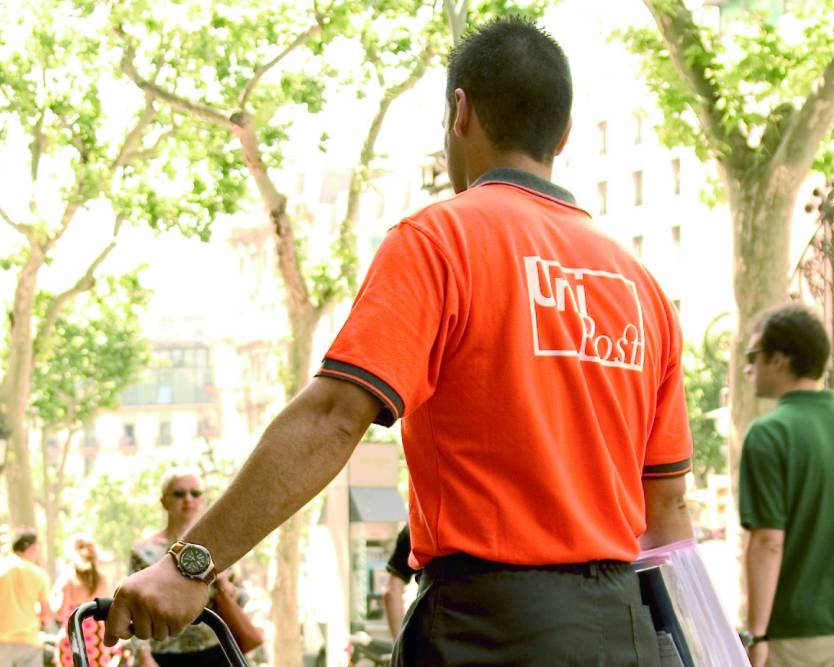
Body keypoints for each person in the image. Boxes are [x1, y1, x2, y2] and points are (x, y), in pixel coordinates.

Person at [105, 17, 694, 666]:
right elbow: (666, 515)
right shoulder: (641, 287)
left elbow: (334, 416)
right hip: (626, 633)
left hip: (488, 632)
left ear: (459, 112)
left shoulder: (440, 240)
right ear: (564, 133)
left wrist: (189, 565)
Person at [739, 303, 834, 667]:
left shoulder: (768, 434)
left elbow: (767, 541)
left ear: (780, 359)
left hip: (797, 639)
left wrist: (757, 634)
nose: (749, 367)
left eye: (754, 355)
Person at [128, 469, 227, 667]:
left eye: (195, 493)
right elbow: (134, 607)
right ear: (164, 501)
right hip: (165, 654)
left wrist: (226, 586)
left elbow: (241, 599)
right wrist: (143, 655)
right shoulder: (144, 551)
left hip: (214, 650)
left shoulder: (219, 544)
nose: (188, 499)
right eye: (179, 493)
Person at [0, 530, 51, 667]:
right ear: (30, 548)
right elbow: (46, 615)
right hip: (29, 643)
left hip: (0, 642)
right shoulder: (39, 575)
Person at [51, 535, 117, 667]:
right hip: (98, 641)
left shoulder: (67, 580)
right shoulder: (102, 580)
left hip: (74, 640)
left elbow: (61, 613)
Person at [382, 525, 415, 639]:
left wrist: (400, 646)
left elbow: (391, 592)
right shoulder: (472, 525)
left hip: (437, 640)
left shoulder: (419, 525)